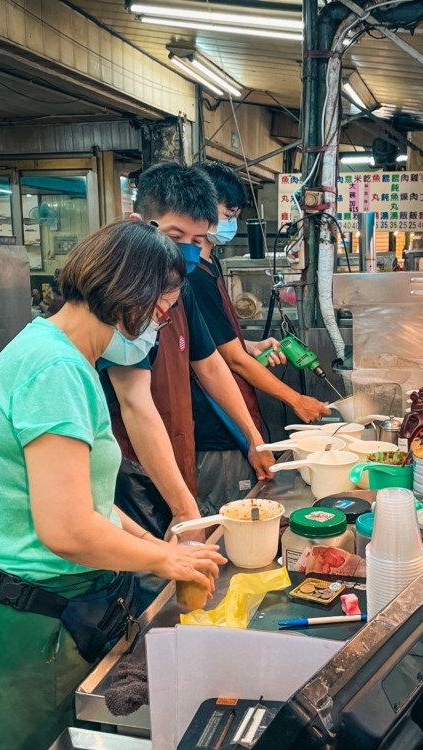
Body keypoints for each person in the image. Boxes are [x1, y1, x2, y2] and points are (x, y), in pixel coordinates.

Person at [0, 221, 227, 749]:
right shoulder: (55, 372)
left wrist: (154, 543)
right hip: (20, 621)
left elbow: (87, 501)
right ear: (129, 297)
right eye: (161, 312)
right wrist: (165, 562)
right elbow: (67, 529)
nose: (159, 327)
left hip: (48, 610)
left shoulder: (66, 357)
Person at [99, 163, 274, 529]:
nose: (187, 252)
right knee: (151, 573)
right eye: (176, 236)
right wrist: (182, 509)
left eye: (197, 242)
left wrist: (252, 438)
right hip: (131, 465)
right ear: (139, 224)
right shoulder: (119, 296)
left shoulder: (185, 287)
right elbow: (135, 403)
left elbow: (210, 366)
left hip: (178, 448)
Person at [188, 163, 331, 513]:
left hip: (235, 413)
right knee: (227, 515)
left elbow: (221, 343)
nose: (230, 221)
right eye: (227, 212)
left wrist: (251, 345)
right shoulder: (194, 276)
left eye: (235, 213)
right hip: (216, 423)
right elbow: (228, 360)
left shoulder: (211, 266)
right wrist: (296, 399)